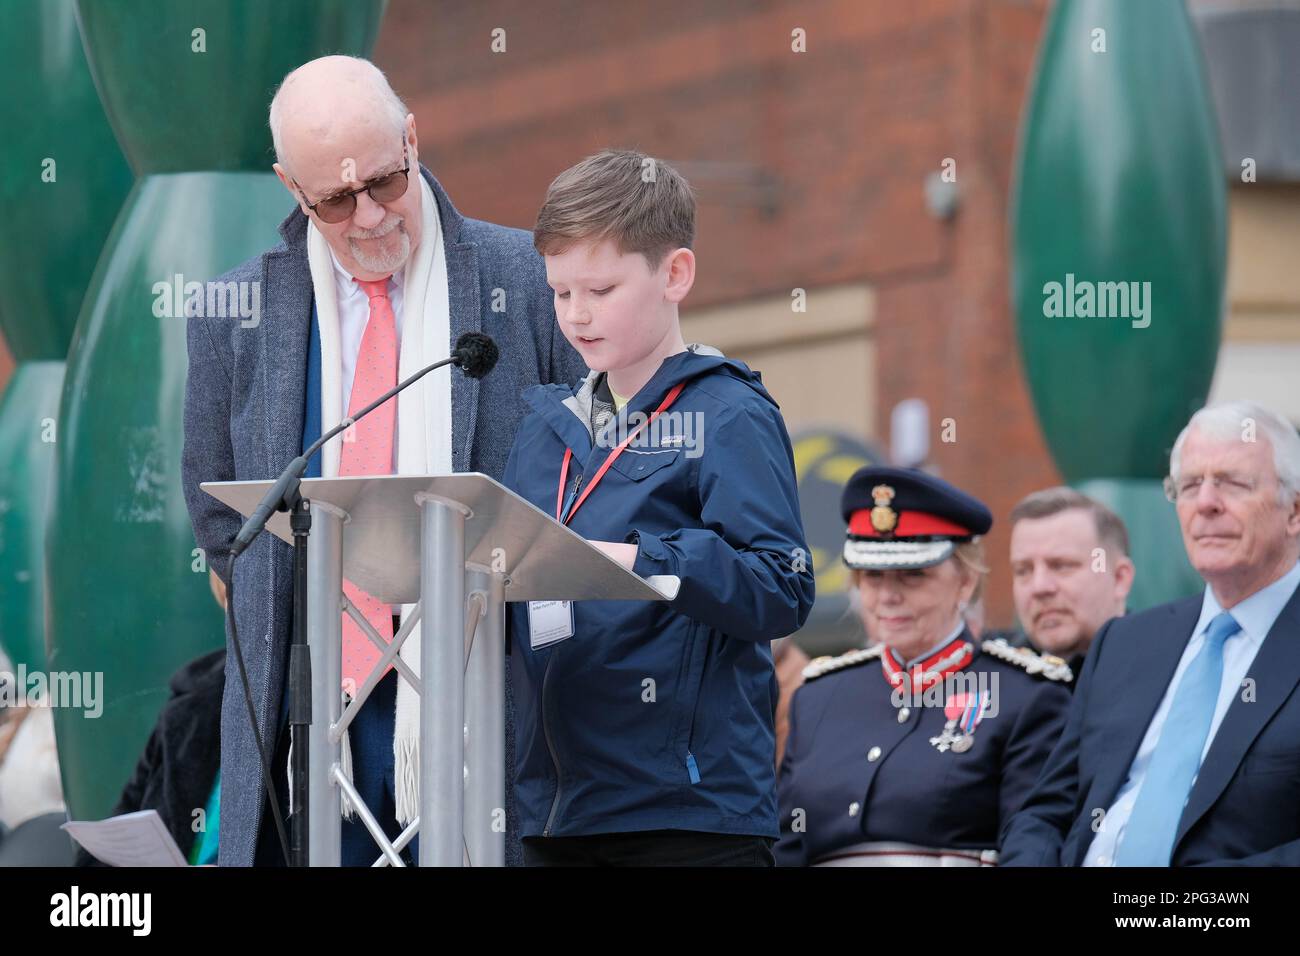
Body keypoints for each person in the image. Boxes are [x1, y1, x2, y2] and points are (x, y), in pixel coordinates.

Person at [180, 56, 586, 867]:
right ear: (290, 188)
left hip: (498, 712)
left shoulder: (531, 282)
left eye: (385, 183)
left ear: (412, 140)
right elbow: (224, 523)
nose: (368, 217)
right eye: (335, 199)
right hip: (315, 713)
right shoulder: (236, 318)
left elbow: (592, 493)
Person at [502, 149, 814, 866]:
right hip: (554, 810)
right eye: (559, 293)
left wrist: (642, 561)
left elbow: (783, 586)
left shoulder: (729, 411)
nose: (576, 316)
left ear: (675, 274)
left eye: (601, 290)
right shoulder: (541, 430)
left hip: (686, 817)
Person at [1001, 400, 1300, 866]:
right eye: (1189, 485)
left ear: (1295, 510)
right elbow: (1046, 811)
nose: (1206, 503)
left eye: (1234, 483)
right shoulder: (1125, 643)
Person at [775, 466, 1071, 866]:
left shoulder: (1025, 695)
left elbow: (1032, 839)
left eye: (913, 575)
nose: (888, 596)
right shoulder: (818, 697)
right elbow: (785, 845)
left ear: (965, 581)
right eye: (872, 576)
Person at [1005, 487, 1135, 681]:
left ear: (1118, 578)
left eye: (1062, 566)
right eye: (1023, 570)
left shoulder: (1168, 671)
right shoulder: (995, 680)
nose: (1039, 587)